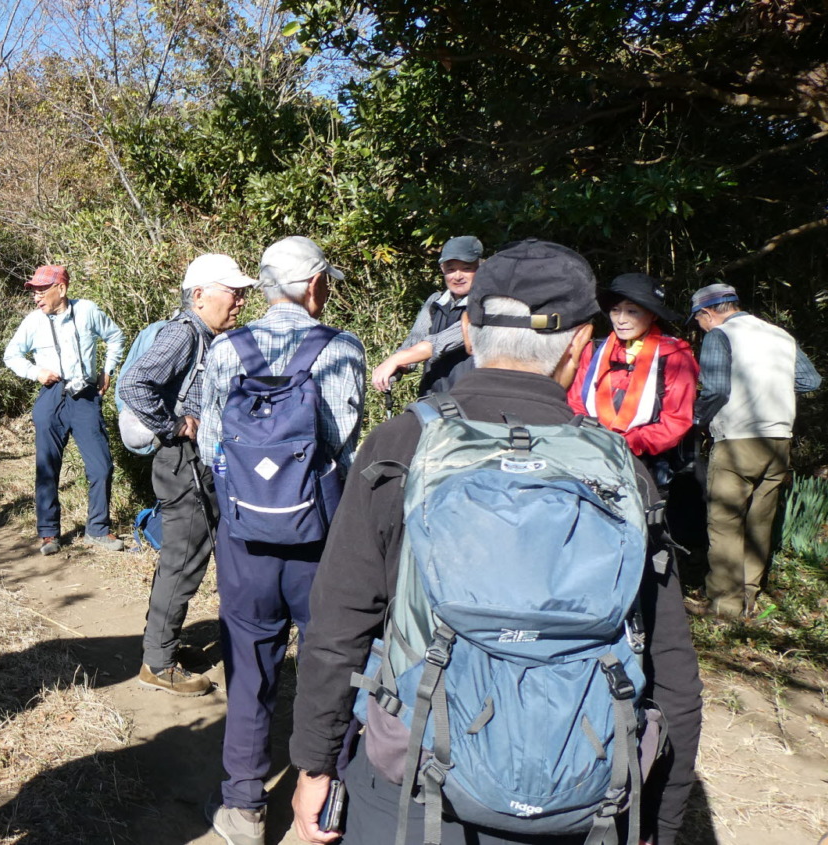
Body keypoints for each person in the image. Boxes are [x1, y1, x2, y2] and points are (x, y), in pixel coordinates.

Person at [289, 240, 703, 845]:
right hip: (583, 788)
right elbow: (671, 663)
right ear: (581, 344)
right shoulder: (621, 469)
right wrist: (659, 821)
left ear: (467, 329)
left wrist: (315, 764)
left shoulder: (401, 445)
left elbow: (339, 624)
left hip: (414, 783)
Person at [198, 236, 366, 845]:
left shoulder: (225, 349)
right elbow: (342, 447)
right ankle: (324, 806)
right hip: (319, 539)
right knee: (331, 663)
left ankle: (243, 807)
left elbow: (210, 447)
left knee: (248, 663)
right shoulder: (341, 348)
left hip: (244, 536)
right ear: (315, 284)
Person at [117, 253, 256, 697]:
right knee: (183, 561)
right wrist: (174, 425)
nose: (240, 301)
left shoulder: (204, 335)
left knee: (186, 558)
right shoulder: (184, 333)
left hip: (193, 463)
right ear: (199, 296)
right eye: (233, 293)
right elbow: (133, 384)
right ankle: (158, 664)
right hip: (183, 464)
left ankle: (163, 646)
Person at [690, 283, 821, 619]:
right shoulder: (779, 335)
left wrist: (695, 421)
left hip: (738, 439)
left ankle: (725, 605)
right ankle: (749, 595)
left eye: (698, 321)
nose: (700, 327)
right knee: (760, 522)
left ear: (707, 313)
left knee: (725, 521)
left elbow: (716, 390)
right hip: (779, 440)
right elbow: (811, 381)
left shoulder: (720, 335)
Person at [3, 264, 127, 554]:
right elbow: (12, 355)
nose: (36, 297)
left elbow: (115, 336)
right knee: (47, 467)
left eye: (41, 291)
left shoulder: (87, 311)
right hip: (51, 396)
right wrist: (36, 372)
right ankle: (49, 534)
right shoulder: (33, 321)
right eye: (34, 292)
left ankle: (97, 529)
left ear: (61, 289)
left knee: (101, 467)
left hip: (85, 397)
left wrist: (107, 370)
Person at [567, 272, 700, 480]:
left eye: (632, 311)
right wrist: (592, 437)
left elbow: (676, 420)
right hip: (589, 451)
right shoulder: (593, 351)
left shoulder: (674, 356)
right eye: (615, 310)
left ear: (653, 315)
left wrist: (625, 443)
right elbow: (575, 402)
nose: (621, 320)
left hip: (645, 461)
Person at [370, 235, 483, 397]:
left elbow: (440, 342)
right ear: (442, 269)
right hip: (432, 397)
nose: (458, 276)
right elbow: (414, 342)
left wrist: (397, 359)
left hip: (471, 398)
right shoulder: (435, 301)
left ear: (481, 268)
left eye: (466, 268)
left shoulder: (487, 304)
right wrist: (396, 369)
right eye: (451, 269)